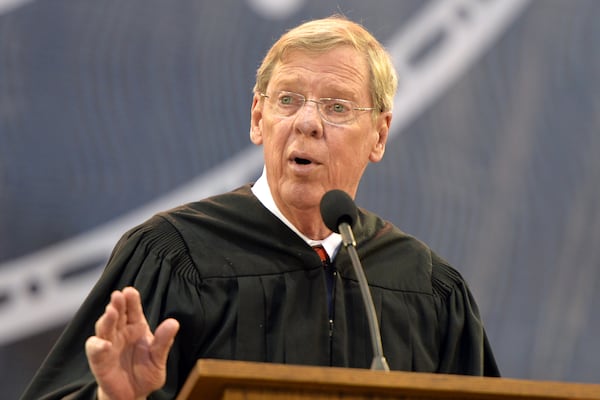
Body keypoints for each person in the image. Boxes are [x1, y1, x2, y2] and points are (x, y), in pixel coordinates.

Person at [21, 15, 499, 400]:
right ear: (258, 118)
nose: (307, 122)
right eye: (288, 100)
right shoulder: (175, 254)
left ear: (379, 134)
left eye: (337, 107)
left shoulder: (428, 288)